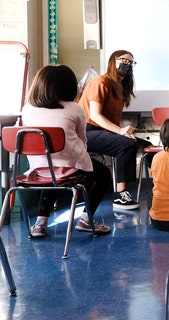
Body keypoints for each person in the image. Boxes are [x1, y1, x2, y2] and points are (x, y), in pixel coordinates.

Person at [20, 65, 111, 237]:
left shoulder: (27, 109)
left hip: (38, 168)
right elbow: (83, 142)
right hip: (70, 167)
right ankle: (86, 219)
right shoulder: (75, 109)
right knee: (103, 174)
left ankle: (40, 224)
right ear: (68, 86)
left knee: (51, 172)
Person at [78, 49, 152, 211]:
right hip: (86, 132)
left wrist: (124, 132)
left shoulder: (120, 87)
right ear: (113, 62)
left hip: (102, 132)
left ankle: (158, 188)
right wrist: (120, 131)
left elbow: (111, 120)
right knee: (125, 144)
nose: (127, 64)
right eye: (123, 60)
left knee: (143, 145)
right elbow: (95, 116)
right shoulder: (101, 82)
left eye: (130, 62)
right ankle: (121, 195)